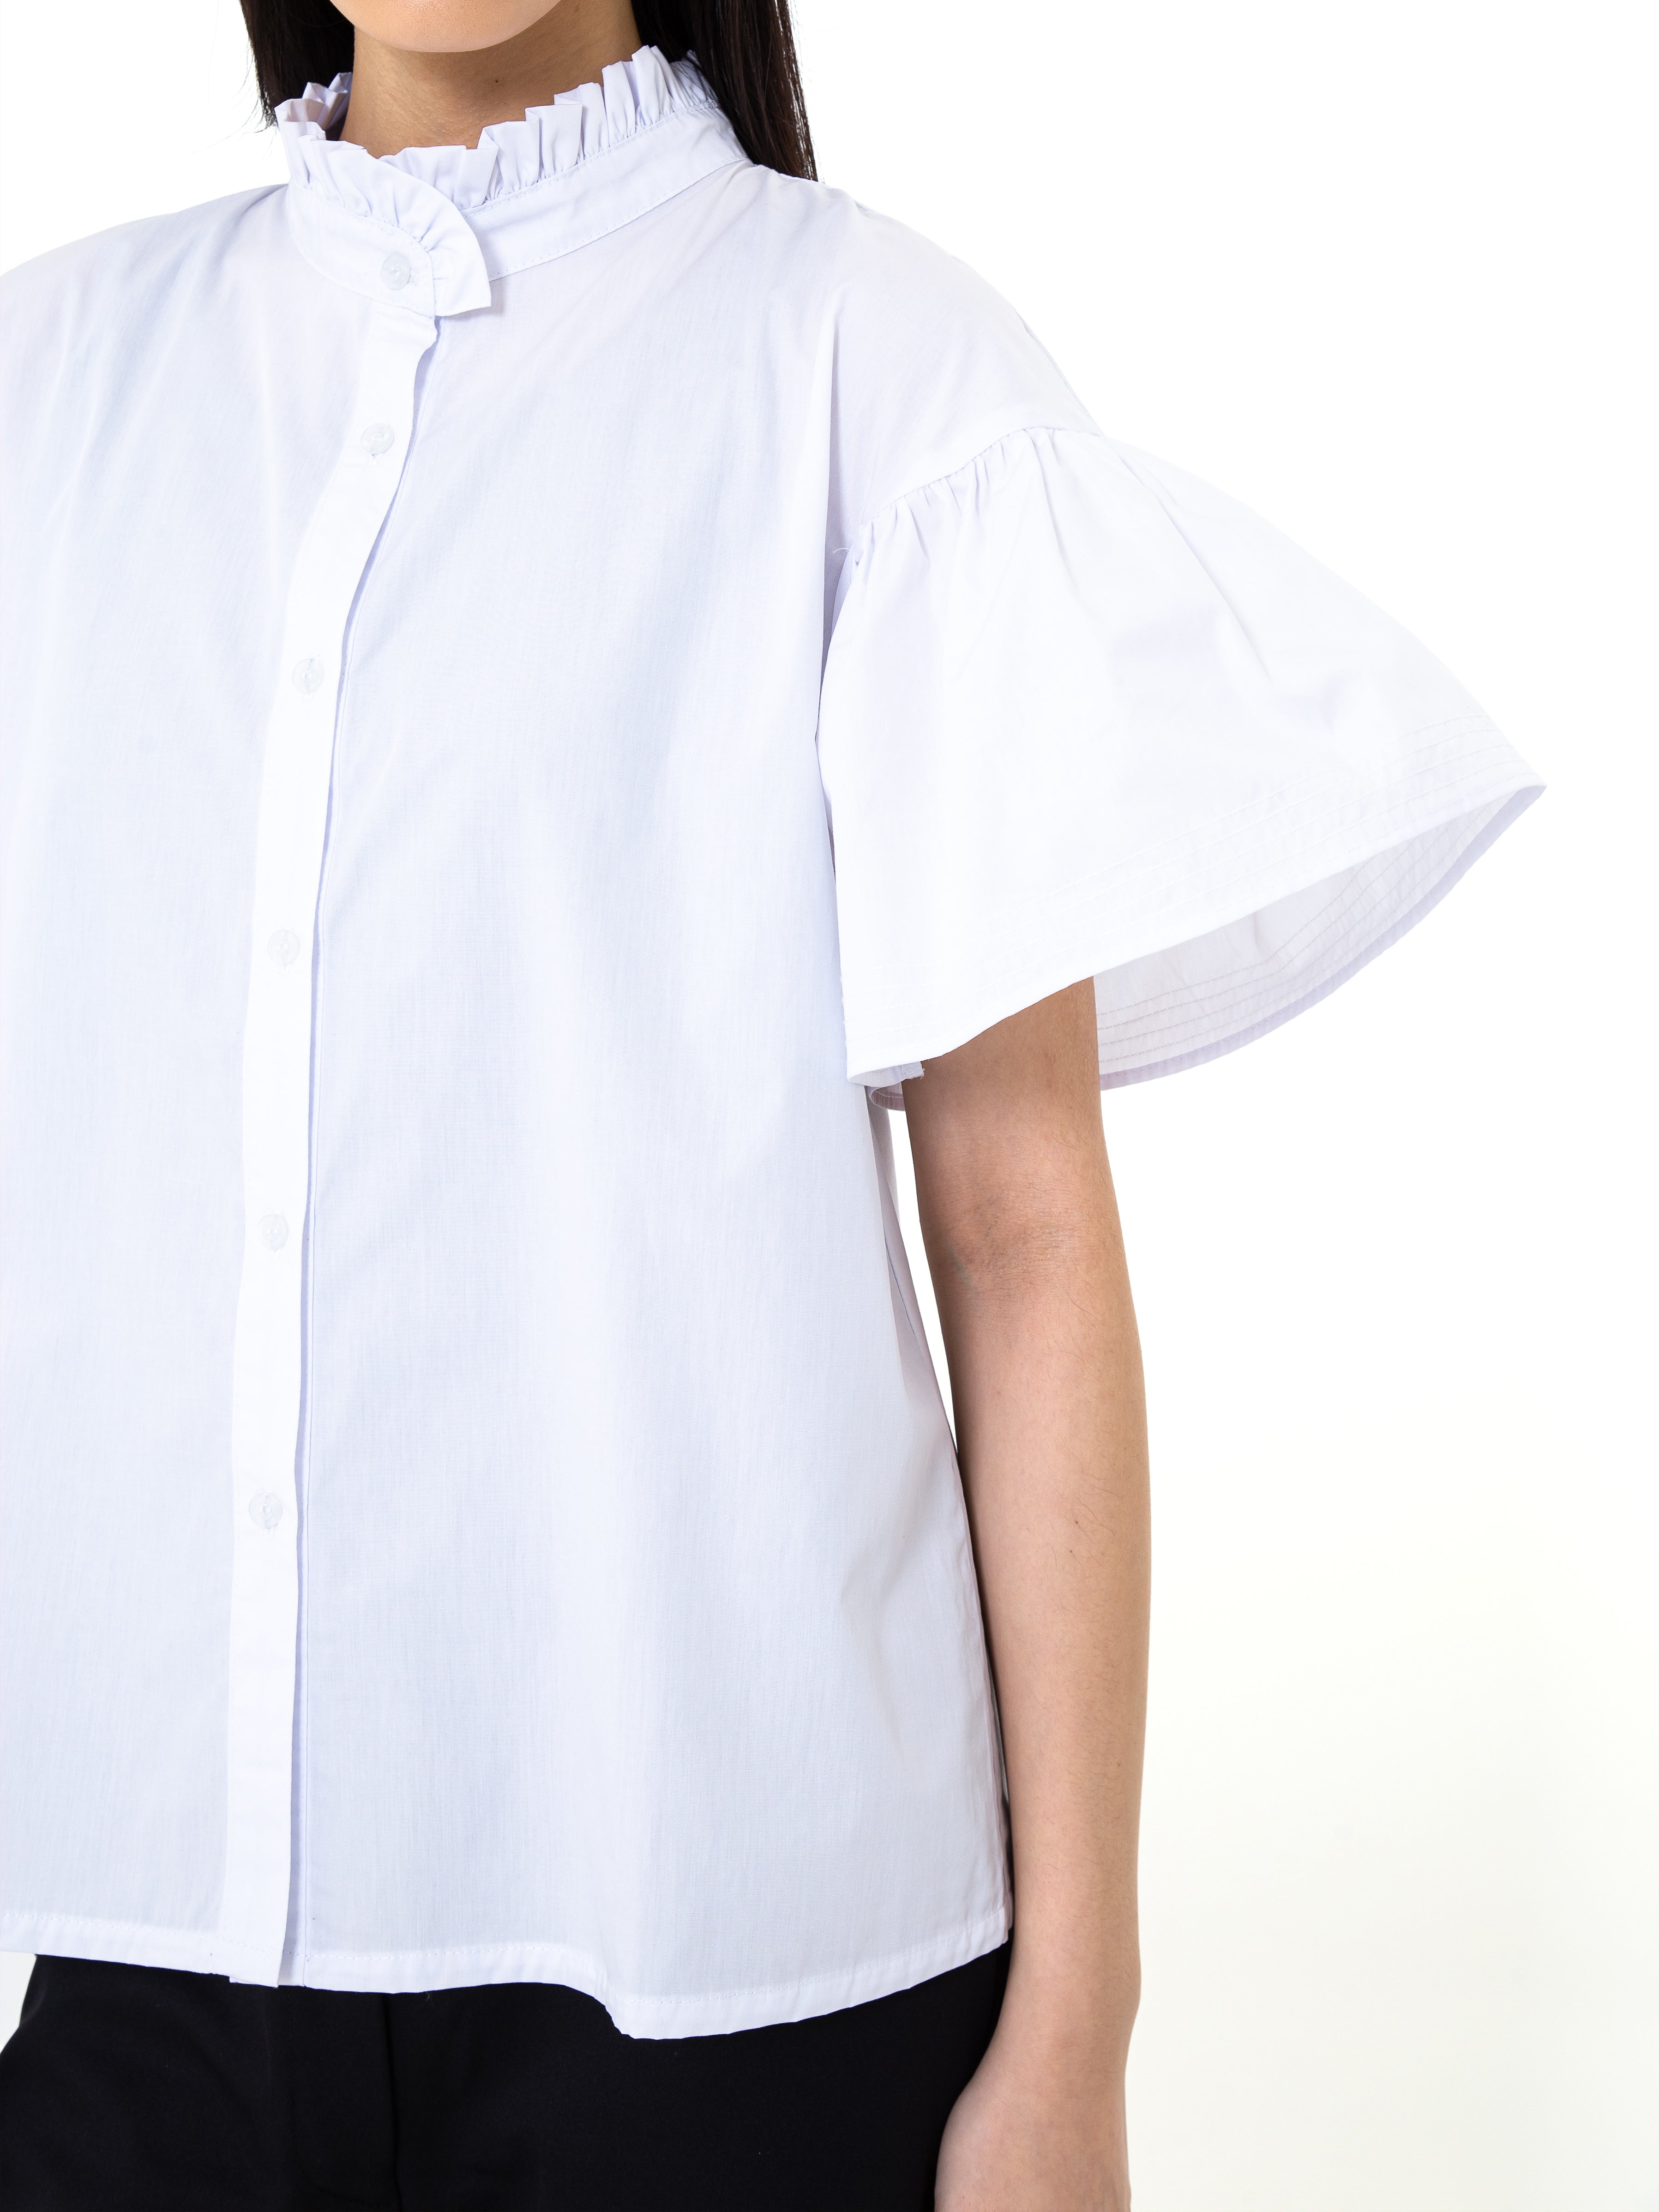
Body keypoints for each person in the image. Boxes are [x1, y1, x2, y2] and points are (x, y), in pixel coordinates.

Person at [0, 0, 1541, 2204]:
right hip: (151, 1955)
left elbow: (1020, 1240)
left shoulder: (872, 370)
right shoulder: (56, 379)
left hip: (746, 1992)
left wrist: (1071, 2038)